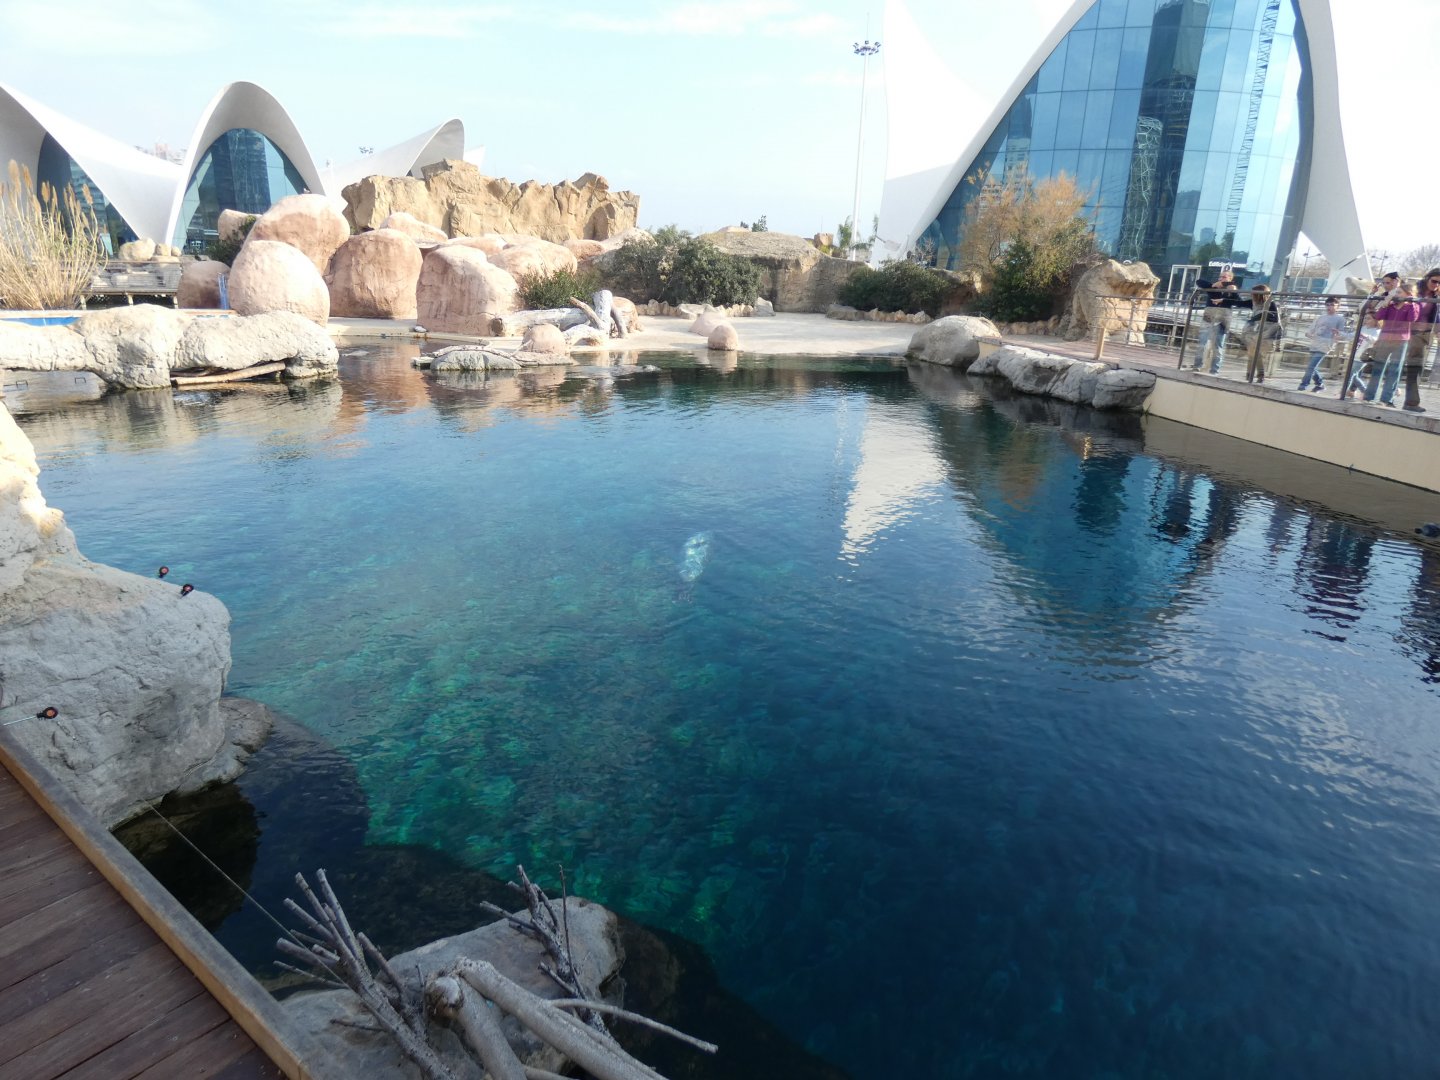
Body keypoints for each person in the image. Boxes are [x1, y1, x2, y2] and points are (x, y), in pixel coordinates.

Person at [1363, 279, 1420, 406]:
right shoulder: (1390, 305)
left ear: (1408, 294)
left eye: (1399, 292)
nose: (1396, 295)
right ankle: (1369, 396)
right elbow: (1378, 316)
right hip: (1385, 338)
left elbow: (1412, 318)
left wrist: (1410, 303)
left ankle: (1386, 399)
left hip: (1400, 340)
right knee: (1378, 367)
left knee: (1394, 369)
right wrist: (1385, 303)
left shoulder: (1412, 306)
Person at [1402, 268, 1439, 410]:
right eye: (1434, 281)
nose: (1436, 284)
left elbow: (1437, 315)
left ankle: (1411, 402)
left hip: (1424, 334)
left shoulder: (1436, 296)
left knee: (1416, 368)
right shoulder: (1415, 290)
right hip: (1408, 331)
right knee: (1409, 366)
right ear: (1427, 278)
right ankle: (1410, 402)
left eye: (1439, 283)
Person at [1192, 268, 1239, 373]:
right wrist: (1214, 285)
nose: (1221, 278)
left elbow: (1238, 301)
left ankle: (1215, 370)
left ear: (1230, 278)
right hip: (1209, 317)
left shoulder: (1232, 288)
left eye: (1224, 277)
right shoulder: (1214, 287)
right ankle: (1197, 365)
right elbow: (1199, 281)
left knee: (1218, 345)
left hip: (1222, 319)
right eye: (1220, 276)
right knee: (1202, 343)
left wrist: (1233, 292)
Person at [1299, 296, 1347, 392]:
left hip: (1326, 344)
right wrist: (1309, 334)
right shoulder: (1320, 317)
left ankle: (1303, 384)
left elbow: (1341, 332)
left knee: (1311, 366)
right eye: (1328, 305)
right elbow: (1312, 328)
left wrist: (1336, 336)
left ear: (1338, 306)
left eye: (1332, 305)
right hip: (1315, 343)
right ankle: (1319, 384)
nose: (1329, 307)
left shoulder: (1340, 319)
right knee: (1312, 367)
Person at [1238, 284, 1282, 383]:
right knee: (1252, 353)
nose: (1251, 296)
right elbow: (1239, 303)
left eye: (1253, 294)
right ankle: (1251, 375)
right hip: (1256, 331)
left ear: (1259, 295)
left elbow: (1273, 319)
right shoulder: (1254, 303)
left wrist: (1252, 320)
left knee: (1255, 353)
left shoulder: (1270, 304)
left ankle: (1256, 374)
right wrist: (1223, 300)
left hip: (1266, 332)